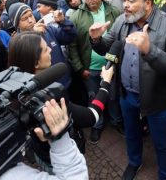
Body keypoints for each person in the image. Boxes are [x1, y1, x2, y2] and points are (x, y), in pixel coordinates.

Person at [89, 0, 166, 180]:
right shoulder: (122, 21)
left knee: (163, 144)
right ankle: (134, 162)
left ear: (148, 3)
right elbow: (109, 48)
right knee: (132, 135)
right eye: (124, 0)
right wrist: (96, 39)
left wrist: (149, 50)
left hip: (158, 99)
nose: (125, 5)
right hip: (127, 95)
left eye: (131, 1)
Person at [6, 32, 114, 174]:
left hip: (42, 154)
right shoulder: (49, 98)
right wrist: (105, 83)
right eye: (45, 49)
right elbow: (91, 116)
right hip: (59, 164)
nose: (51, 49)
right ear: (36, 62)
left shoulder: (13, 87)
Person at [69, 0, 121, 144]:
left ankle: (116, 121)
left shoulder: (114, 11)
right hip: (89, 68)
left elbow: (120, 37)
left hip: (111, 65)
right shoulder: (76, 16)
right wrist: (79, 68)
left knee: (112, 96)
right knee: (93, 97)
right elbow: (73, 45)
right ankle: (97, 125)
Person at [0, 98, 88, 180]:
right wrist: (60, 138)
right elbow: (76, 177)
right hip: (47, 156)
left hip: (40, 154)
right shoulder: (11, 176)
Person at [7, 2, 76, 88]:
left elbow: (70, 37)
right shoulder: (17, 44)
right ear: (17, 24)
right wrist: (34, 34)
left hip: (65, 80)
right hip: (45, 89)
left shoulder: (47, 30)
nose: (30, 20)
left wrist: (63, 21)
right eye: (24, 19)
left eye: (31, 15)